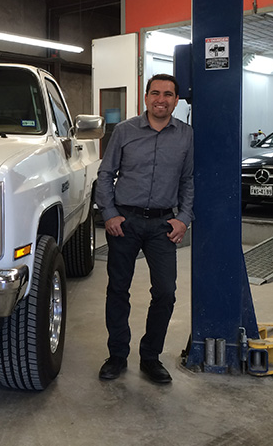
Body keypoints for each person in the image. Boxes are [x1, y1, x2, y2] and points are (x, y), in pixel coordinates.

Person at [95, 73, 194, 384]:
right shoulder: (124, 131)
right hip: (125, 223)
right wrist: (109, 214)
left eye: (167, 94)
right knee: (117, 290)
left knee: (165, 293)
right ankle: (117, 355)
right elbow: (105, 173)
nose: (160, 99)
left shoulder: (187, 136)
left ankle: (150, 357)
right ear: (146, 97)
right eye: (155, 93)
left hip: (163, 225)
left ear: (176, 100)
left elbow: (189, 180)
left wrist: (184, 218)